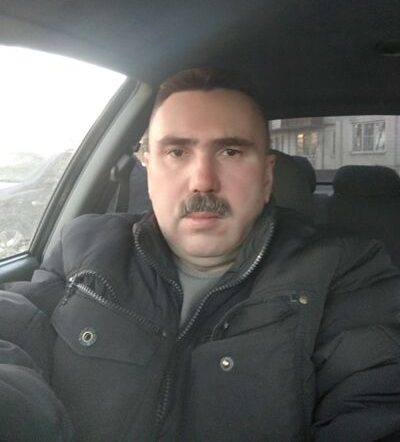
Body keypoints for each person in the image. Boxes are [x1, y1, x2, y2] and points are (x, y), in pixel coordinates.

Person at [1, 68, 400, 442]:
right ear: (148, 171)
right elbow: (16, 335)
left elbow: (372, 399)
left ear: (266, 177)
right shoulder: (83, 245)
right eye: (177, 152)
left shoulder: (345, 270)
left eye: (231, 152)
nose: (203, 181)